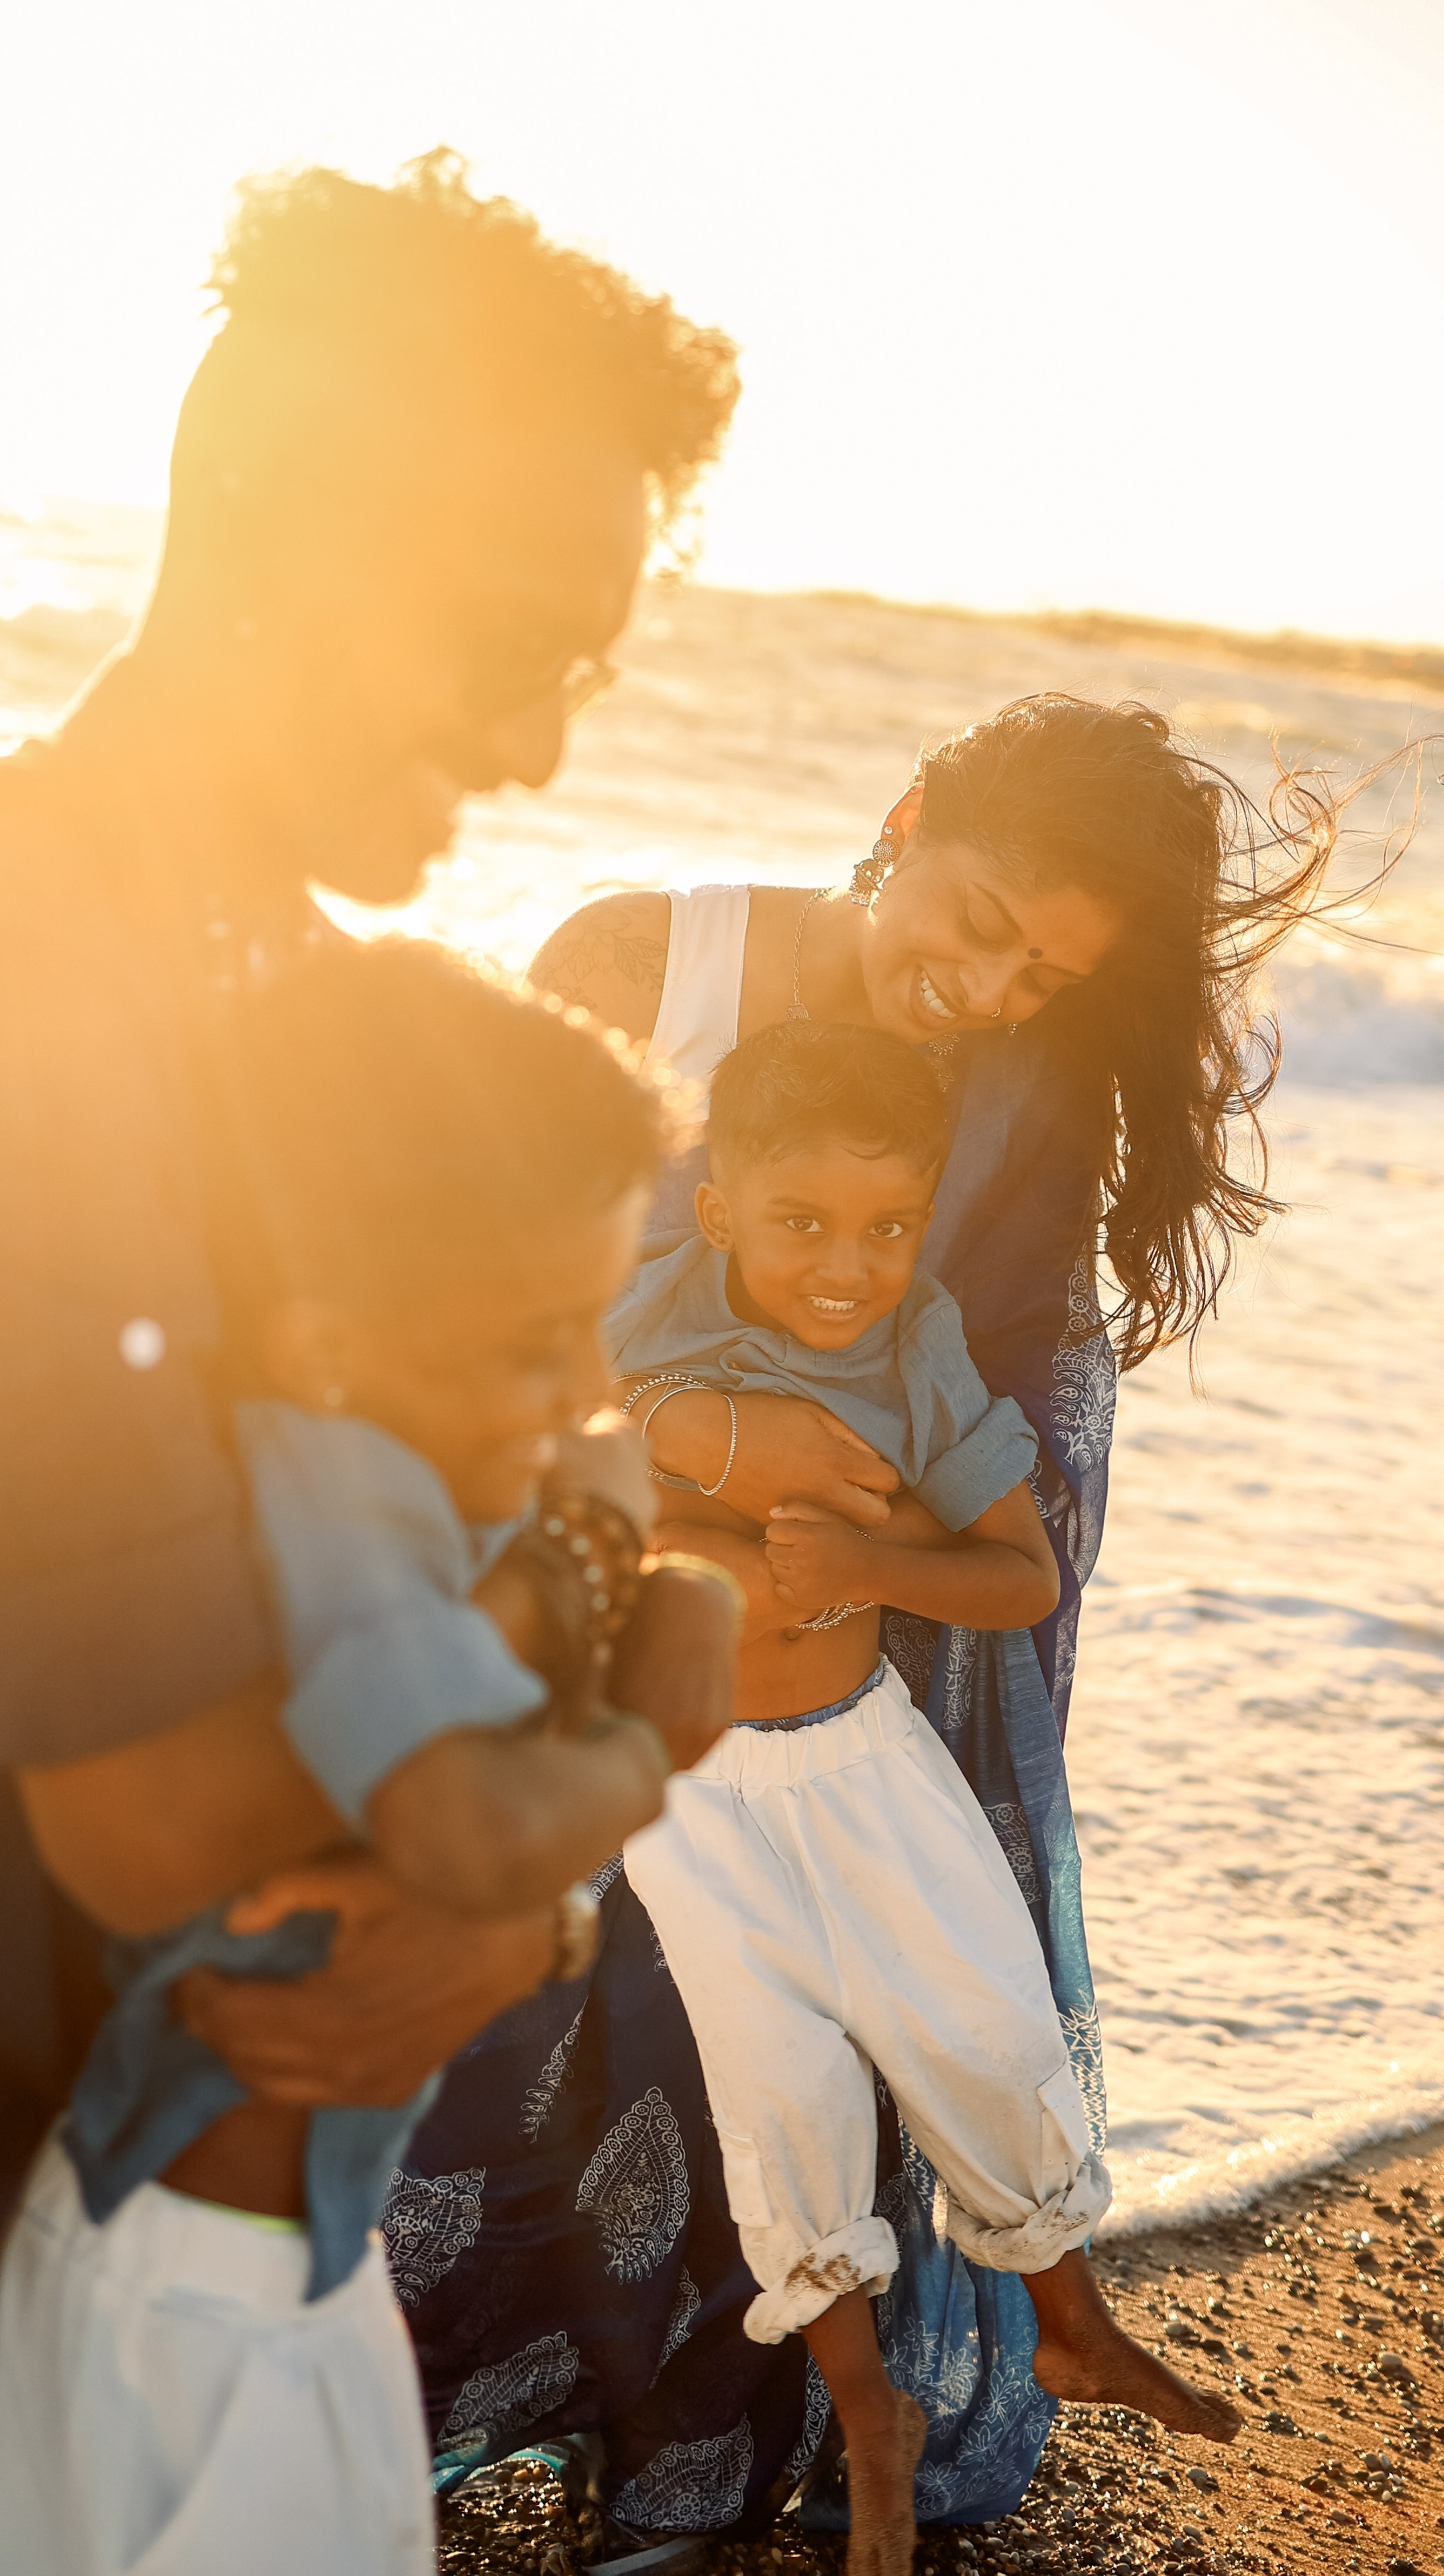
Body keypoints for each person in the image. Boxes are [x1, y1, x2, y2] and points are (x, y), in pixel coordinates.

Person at [0, 154, 739, 2572]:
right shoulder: (3, 995)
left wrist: (544, 1801)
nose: (542, 743)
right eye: (511, 636)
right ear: (279, 524)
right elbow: (161, 1817)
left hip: (96, 2163)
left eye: (592, 662)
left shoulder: (276, 971)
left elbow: (591, 1455)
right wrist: (555, 1824)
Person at [398, 693, 1344, 2547]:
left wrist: (814, 1551)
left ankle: (696, 2447)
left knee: (763, 2052)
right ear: (907, 817)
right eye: (980, 922)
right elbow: (456, 1295)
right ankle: (337, 2410)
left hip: (797, 1686)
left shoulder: (1028, 1086)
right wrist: (681, 1483)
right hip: (545, 1585)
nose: (985, 989)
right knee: (468, 2020)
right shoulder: (638, 960)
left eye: (1042, 975)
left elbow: (985, 1430)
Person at [0, 941, 736, 2576]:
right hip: (190, 2288)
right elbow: (463, 1827)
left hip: (279, 2251)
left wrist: (671, 1593)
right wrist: (648, 1747)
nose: (590, 1391)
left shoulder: (420, 1450)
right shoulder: (339, 1501)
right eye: (536, 1344)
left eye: (597, 1324)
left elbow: (630, 1581)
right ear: (316, 1343)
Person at [613, 1016, 1241, 2576]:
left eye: (889, 1227)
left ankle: (1072, 2328)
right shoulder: (651, 1306)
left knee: (982, 2029)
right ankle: (867, 2415)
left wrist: (868, 1562)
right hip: (685, 1795)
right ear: (718, 1210)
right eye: (803, 1224)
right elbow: (536, 1421)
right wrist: (692, 1445)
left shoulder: (917, 1344)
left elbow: (1014, 1570)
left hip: (858, 1759)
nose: (847, 1265)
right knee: (778, 2101)